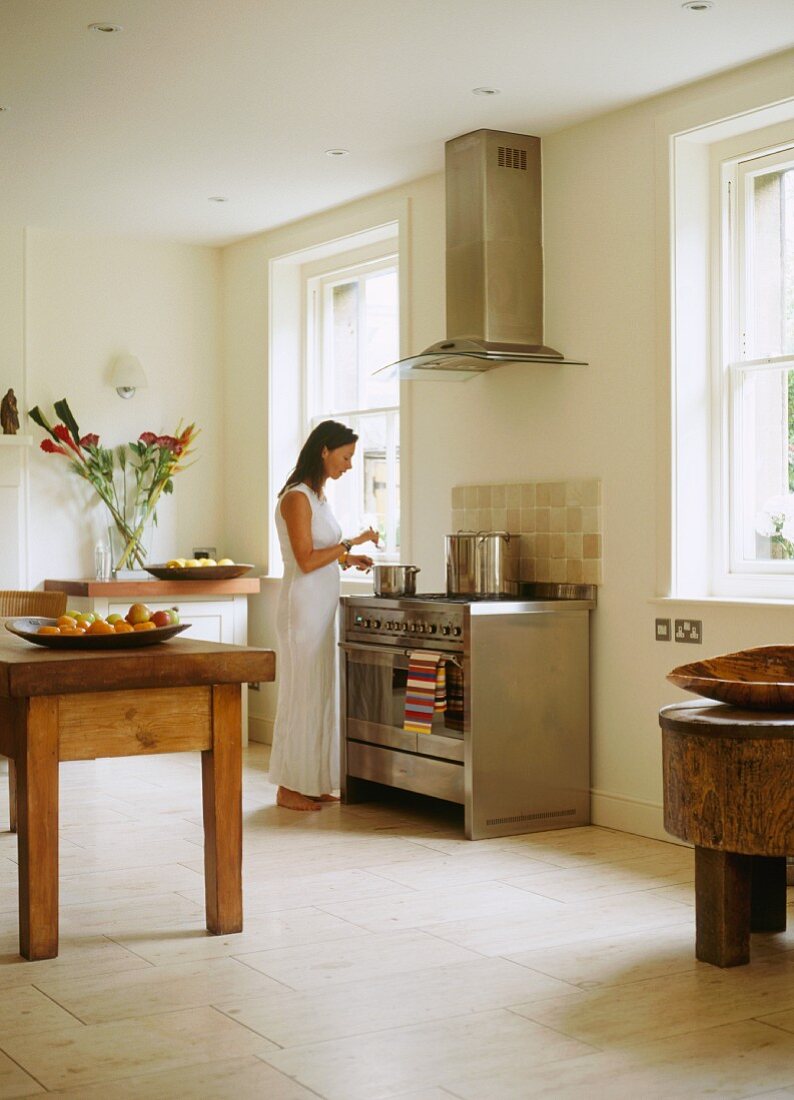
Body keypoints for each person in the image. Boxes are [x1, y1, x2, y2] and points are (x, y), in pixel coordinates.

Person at [269, 420, 378, 811]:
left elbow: (323, 553)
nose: (348, 465)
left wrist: (348, 558)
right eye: (346, 456)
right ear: (324, 451)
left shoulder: (318, 497)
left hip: (320, 607)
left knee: (320, 692)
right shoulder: (296, 497)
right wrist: (351, 542)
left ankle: (312, 781)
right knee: (301, 694)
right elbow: (305, 559)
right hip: (302, 609)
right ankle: (288, 787)